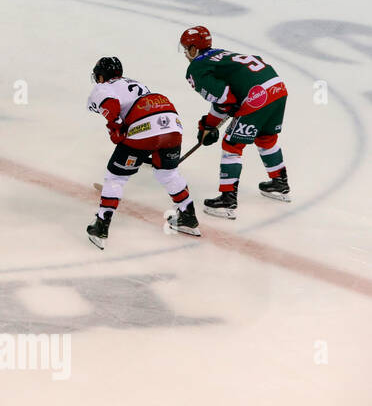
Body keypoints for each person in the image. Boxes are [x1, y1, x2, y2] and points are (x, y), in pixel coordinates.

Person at [85, 57, 199, 249]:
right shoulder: (135, 83)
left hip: (144, 127)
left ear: (101, 76)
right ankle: (188, 217)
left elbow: (111, 105)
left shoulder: (102, 87)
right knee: (168, 173)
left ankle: (101, 226)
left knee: (116, 178)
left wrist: (116, 127)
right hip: (172, 123)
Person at [180, 25, 291, 219]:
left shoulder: (197, 68)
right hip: (277, 88)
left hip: (257, 96)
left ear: (193, 49)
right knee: (266, 138)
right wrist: (210, 124)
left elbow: (224, 99)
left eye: (186, 49)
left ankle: (227, 199)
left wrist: (210, 124)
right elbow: (226, 99)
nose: (185, 54)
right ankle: (279, 184)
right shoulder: (220, 54)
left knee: (232, 145)